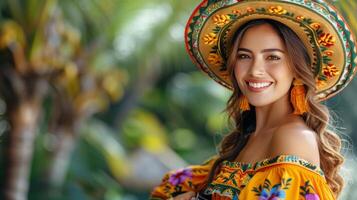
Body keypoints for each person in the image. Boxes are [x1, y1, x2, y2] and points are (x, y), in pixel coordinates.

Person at [150, 0, 357, 199]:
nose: (255, 70)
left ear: (297, 70)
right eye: (244, 56)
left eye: (273, 57)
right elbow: (171, 189)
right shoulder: (246, 139)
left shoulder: (293, 138)